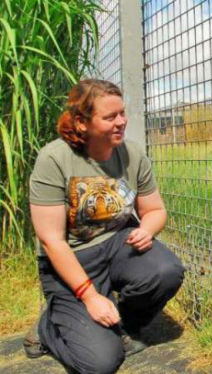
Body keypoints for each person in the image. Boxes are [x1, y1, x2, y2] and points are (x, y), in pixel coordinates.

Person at [23, 79, 185, 374]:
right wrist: (89, 296)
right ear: (82, 123)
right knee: (100, 364)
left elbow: (156, 210)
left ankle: (124, 325)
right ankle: (50, 326)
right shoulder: (54, 159)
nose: (121, 121)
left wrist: (148, 229)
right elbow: (51, 241)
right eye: (110, 117)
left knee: (166, 271)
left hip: (118, 246)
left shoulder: (132, 155)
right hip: (71, 260)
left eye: (122, 113)